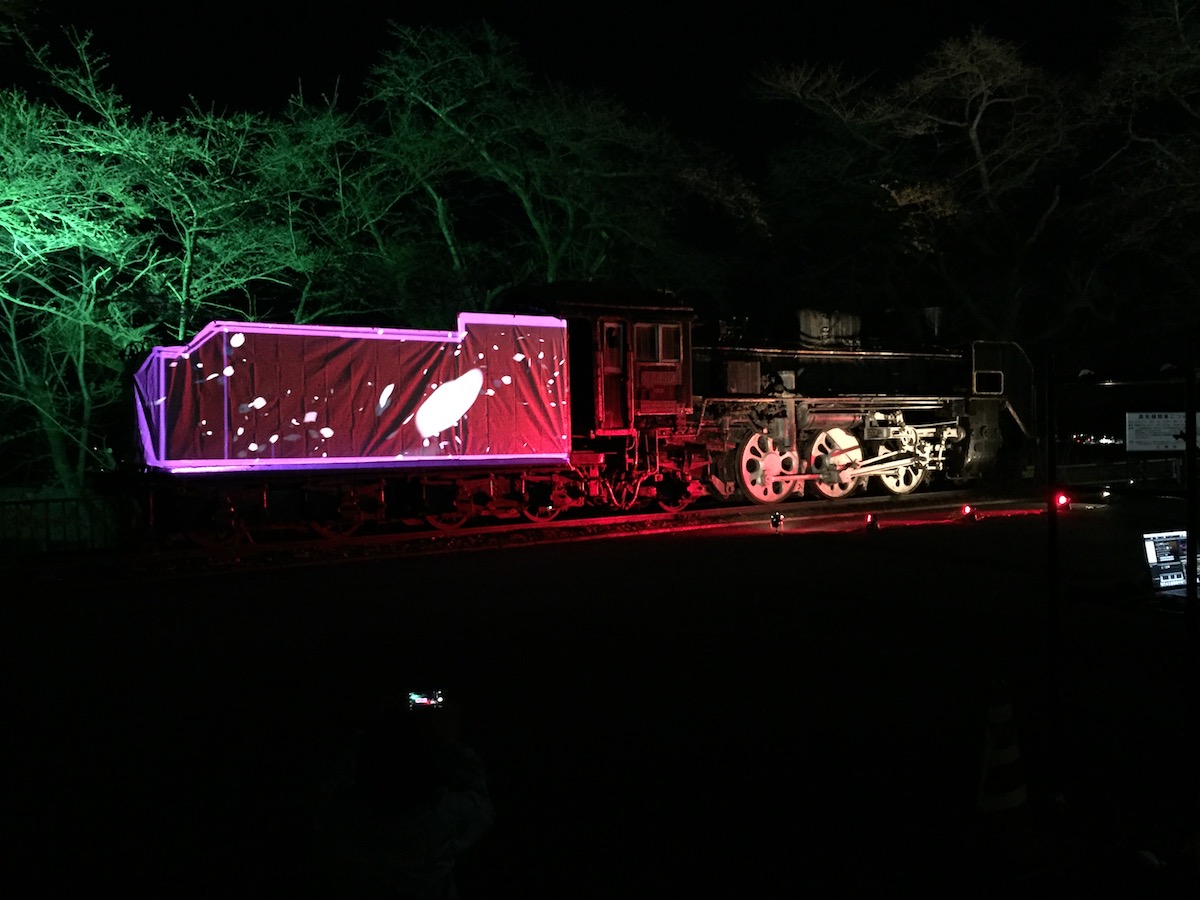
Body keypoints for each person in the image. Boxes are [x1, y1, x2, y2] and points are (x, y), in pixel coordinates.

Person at [316, 692, 493, 899]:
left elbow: (329, 786)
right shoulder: (442, 820)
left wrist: (373, 727)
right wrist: (448, 740)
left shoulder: (344, 820)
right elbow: (480, 800)